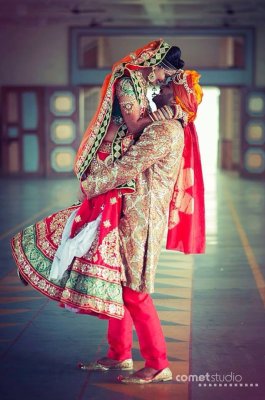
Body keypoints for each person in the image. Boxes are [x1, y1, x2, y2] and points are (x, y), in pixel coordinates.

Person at [11, 39, 184, 319]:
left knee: (94, 225)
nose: (163, 81)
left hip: (119, 163)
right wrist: (167, 113)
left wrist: (168, 114)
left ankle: (66, 269)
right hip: (106, 160)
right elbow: (134, 125)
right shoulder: (127, 81)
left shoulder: (143, 89)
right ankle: (39, 256)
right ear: (155, 65)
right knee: (88, 218)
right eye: (165, 74)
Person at [78, 69, 205, 383]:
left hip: (142, 221)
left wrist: (90, 183)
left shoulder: (163, 131)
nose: (157, 91)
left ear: (176, 95)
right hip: (133, 216)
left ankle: (158, 363)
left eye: (165, 88)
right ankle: (119, 354)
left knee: (135, 291)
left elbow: (127, 168)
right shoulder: (165, 125)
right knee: (120, 287)